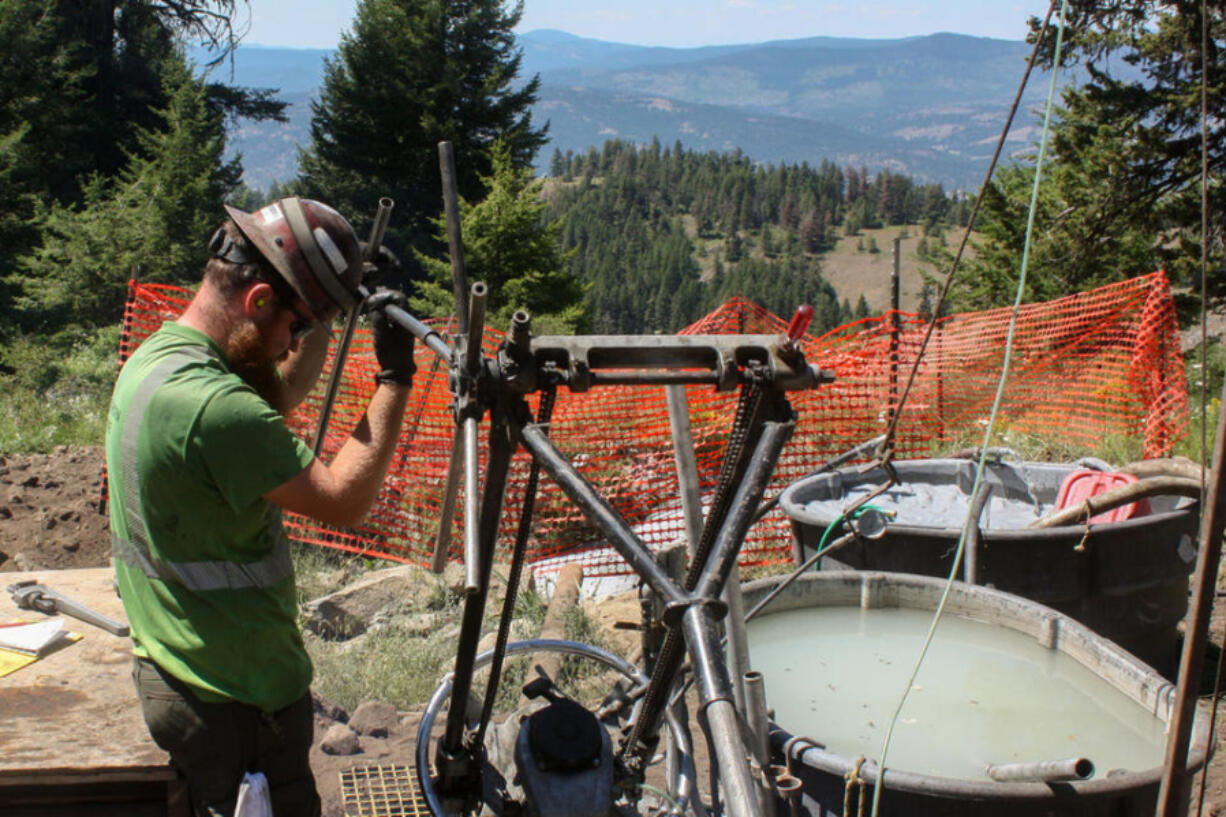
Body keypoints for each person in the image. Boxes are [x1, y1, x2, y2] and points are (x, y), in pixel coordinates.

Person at [105, 197, 417, 817]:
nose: (291, 344)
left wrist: (325, 306)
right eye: (294, 327)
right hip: (235, 699)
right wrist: (395, 377)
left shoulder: (163, 359)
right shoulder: (218, 409)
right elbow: (343, 499)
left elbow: (276, 391)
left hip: (181, 667)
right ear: (258, 303)